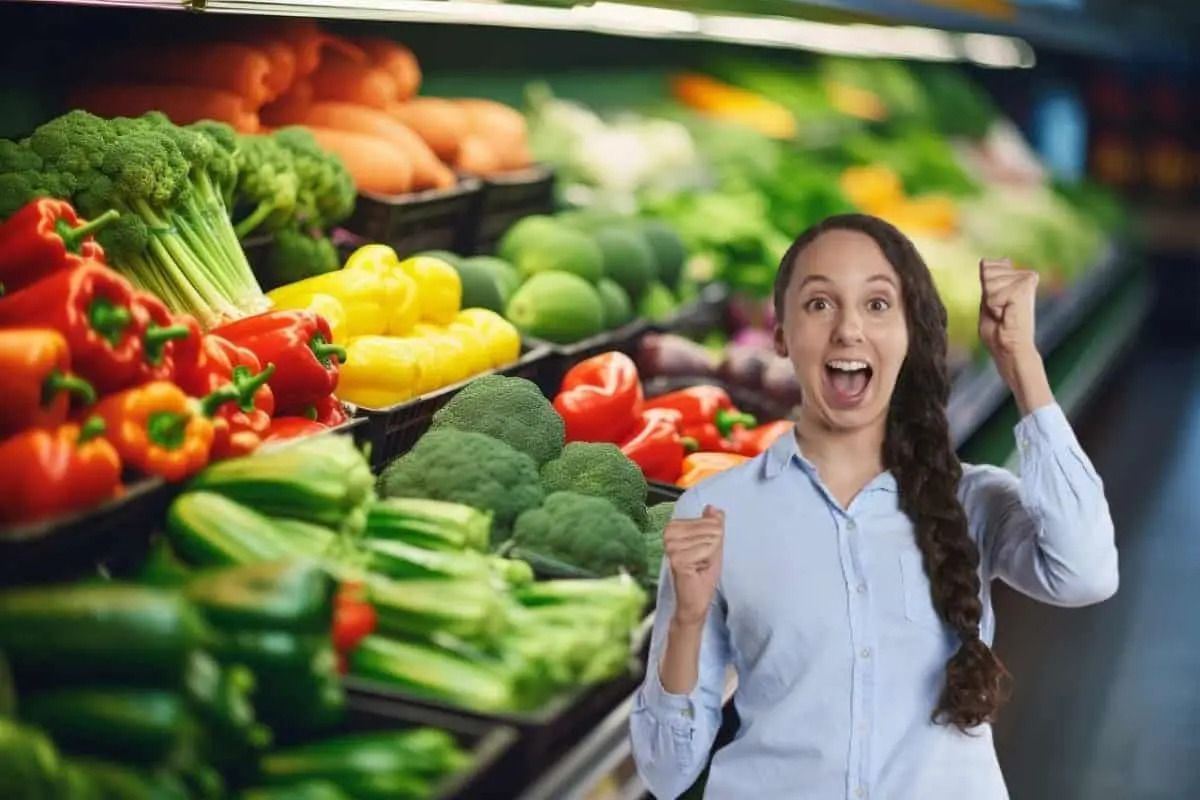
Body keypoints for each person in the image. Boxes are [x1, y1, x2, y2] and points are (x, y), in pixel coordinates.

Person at [629, 213, 1118, 800]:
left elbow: (1085, 573)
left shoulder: (971, 498)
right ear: (780, 334)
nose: (849, 331)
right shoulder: (715, 511)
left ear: (910, 334)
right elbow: (665, 770)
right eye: (818, 305)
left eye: (878, 305)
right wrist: (685, 622)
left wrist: (1022, 364)